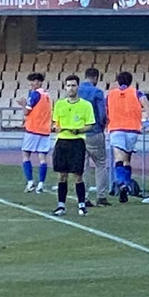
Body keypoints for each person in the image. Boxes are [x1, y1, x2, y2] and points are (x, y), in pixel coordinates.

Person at [50, 75, 97, 217]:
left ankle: (82, 205)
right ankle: (61, 206)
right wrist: (54, 127)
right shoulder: (59, 104)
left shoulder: (85, 105)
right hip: (62, 142)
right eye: (68, 85)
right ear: (65, 87)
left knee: (78, 175)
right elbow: (54, 123)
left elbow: (90, 125)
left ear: (78, 87)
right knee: (62, 175)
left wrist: (78, 130)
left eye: (73, 85)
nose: (71, 88)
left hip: (77, 142)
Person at [105, 71, 148, 203]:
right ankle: (127, 183)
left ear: (118, 82)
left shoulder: (110, 94)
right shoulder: (137, 93)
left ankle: (121, 183)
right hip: (133, 129)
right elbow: (147, 106)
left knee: (118, 157)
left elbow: (105, 111)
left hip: (116, 128)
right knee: (127, 158)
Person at [78, 68, 110, 206]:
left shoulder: (76, 91)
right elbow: (102, 114)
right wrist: (102, 125)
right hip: (94, 131)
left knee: (83, 166)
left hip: (79, 133)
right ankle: (101, 196)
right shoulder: (97, 92)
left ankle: (84, 197)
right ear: (96, 78)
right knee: (100, 164)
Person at [18, 72, 53, 193]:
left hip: (33, 129)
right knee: (42, 158)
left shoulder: (35, 94)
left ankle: (30, 182)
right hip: (45, 130)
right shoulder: (47, 95)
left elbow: (26, 112)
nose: (31, 84)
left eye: (33, 81)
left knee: (25, 154)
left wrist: (23, 105)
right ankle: (41, 184)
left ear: (38, 82)